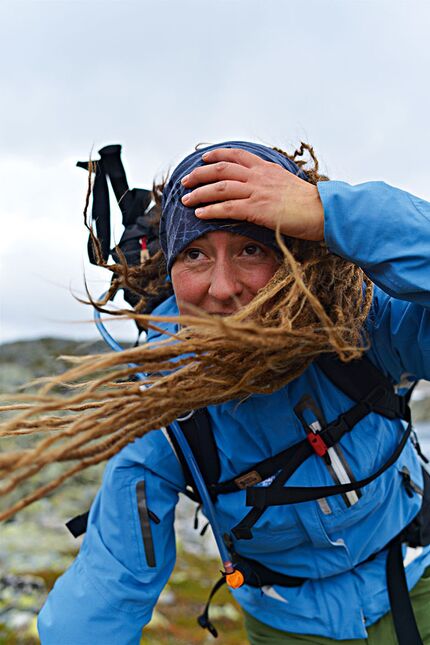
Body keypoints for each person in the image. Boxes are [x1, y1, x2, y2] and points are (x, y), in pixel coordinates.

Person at [34, 140, 430, 643]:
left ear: (297, 256)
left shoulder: (364, 328)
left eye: (251, 249)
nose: (222, 288)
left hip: (416, 576)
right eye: (195, 254)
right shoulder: (165, 405)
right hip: (286, 623)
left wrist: (331, 212)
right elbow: (103, 597)